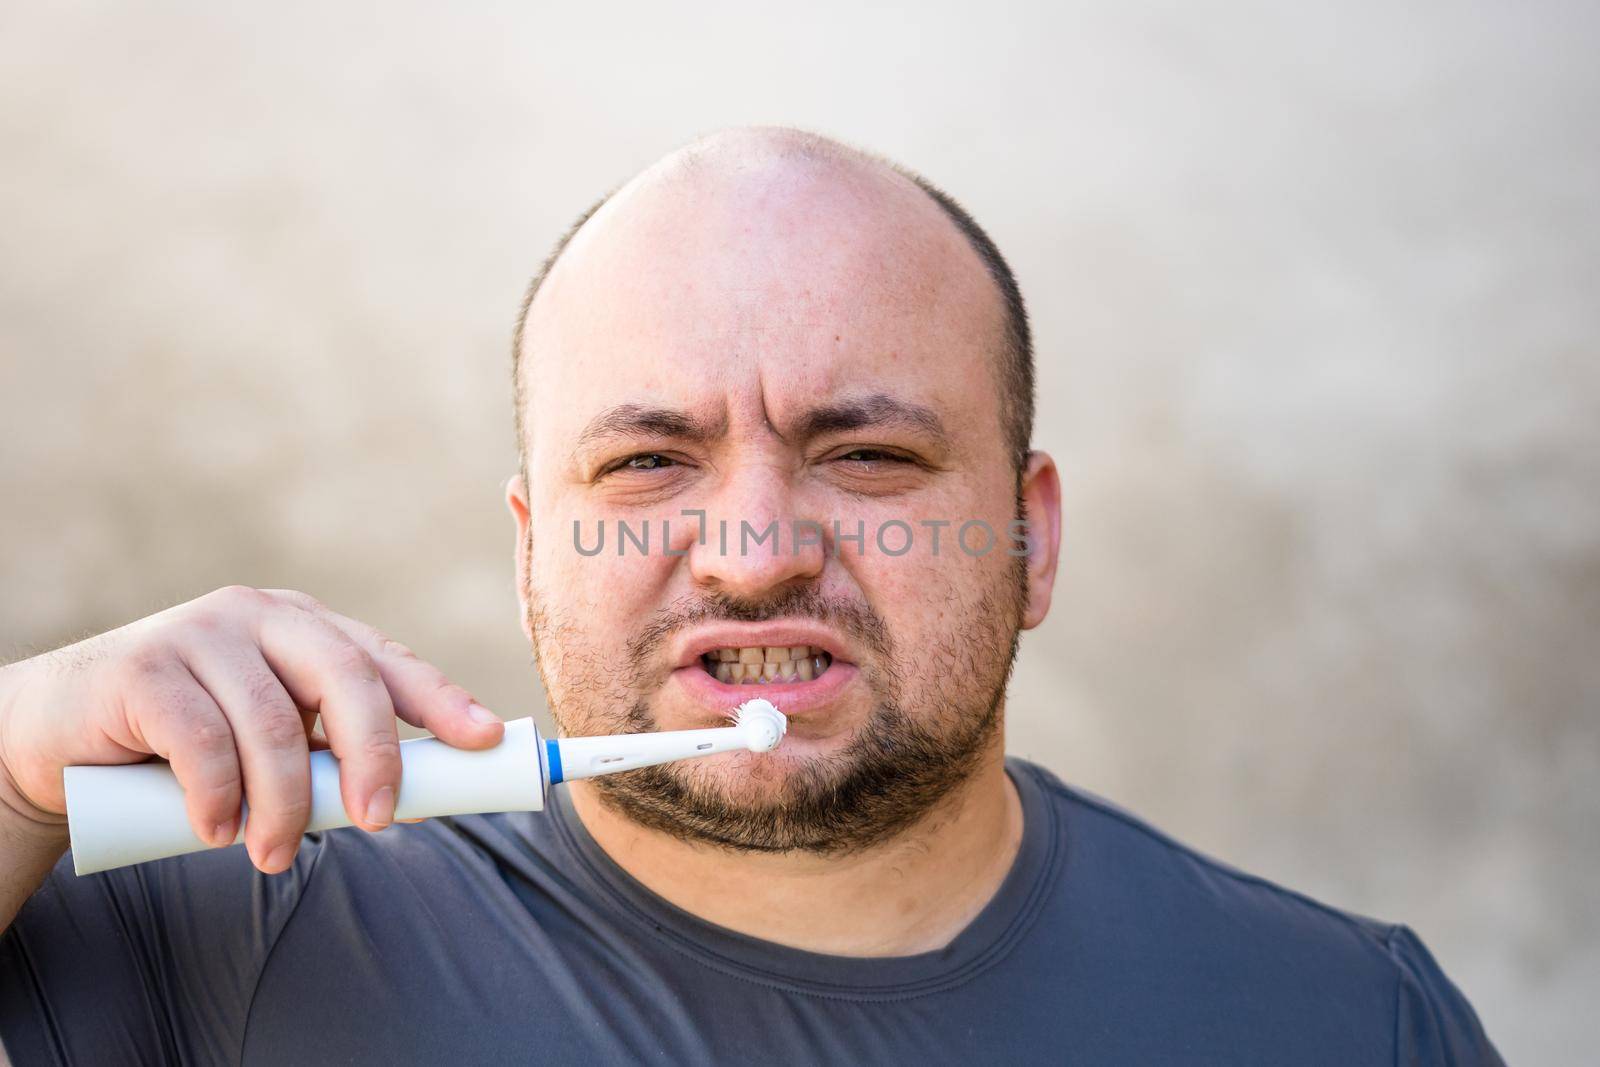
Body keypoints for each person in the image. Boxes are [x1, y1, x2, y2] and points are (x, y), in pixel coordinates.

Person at [0, 127, 1501, 1065]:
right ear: (533, 552)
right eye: (651, 461)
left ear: (1032, 541)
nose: (755, 550)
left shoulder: (1347, 1020)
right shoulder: (218, 937)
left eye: (867, 453)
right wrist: (9, 771)